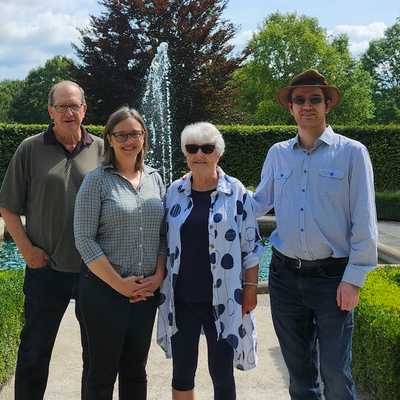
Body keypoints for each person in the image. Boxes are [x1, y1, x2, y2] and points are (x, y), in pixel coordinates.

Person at [252, 69, 378, 400]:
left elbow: (364, 219)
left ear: (327, 105)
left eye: (315, 99)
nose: (307, 106)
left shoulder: (352, 153)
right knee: (300, 376)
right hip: (284, 278)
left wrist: (354, 278)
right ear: (291, 108)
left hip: (332, 280)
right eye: (300, 100)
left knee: (336, 375)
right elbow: (258, 203)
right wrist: (214, 190)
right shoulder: (277, 153)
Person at [0, 81, 103, 400]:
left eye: (75, 106)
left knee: (97, 357)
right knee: (33, 353)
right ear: (50, 111)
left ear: (84, 110)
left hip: (94, 271)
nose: (69, 112)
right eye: (62, 106)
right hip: (46, 269)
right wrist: (27, 250)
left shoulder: (103, 149)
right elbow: (7, 206)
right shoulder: (30, 149)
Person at [157, 122, 260, 400]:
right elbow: (164, 242)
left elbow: (251, 247)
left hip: (224, 299)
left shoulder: (237, 192)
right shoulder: (174, 192)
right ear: (185, 154)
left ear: (218, 153)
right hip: (182, 299)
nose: (199, 154)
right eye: (192, 148)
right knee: (182, 372)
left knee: (222, 372)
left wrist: (250, 290)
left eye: (207, 148)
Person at [73, 106, 166, 400]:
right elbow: (84, 239)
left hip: (145, 294)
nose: (129, 141)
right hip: (103, 293)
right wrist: (120, 284)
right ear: (109, 139)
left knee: (136, 371)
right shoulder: (96, 180)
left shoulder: (156, 178)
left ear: (144, 137)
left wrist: (158, 276)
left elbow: (164, 235)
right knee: (101, 374)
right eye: (122, 135)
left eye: (135, 134)